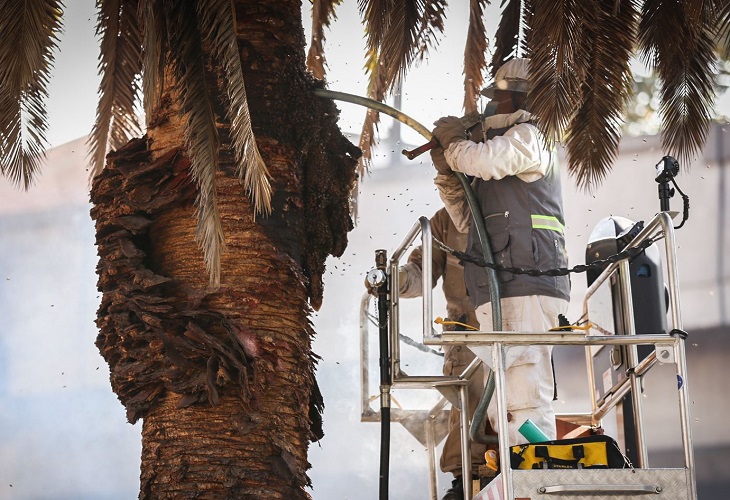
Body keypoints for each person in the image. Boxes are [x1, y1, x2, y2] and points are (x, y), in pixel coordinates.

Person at [429, 57, 570, 449]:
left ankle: (535, 465)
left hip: (527, 281)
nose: (492, 108)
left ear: (521, 100)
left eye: (500, 100)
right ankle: (516, 464)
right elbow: (466, 219)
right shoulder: (502, 153)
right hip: (499, 289)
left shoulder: (533, 138)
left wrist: (456, 145)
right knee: (503, 399)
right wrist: (447, 172)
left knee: (524, 390)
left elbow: (486, 159)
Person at [365, 207, 494, 500]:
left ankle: (523, 460)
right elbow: (422, 270)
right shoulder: (446, 220)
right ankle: (468, 479)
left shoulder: (518, 200)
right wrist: (395, 280)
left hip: (516, 328)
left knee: (519, 402)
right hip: (467, 334)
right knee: (469, 397)